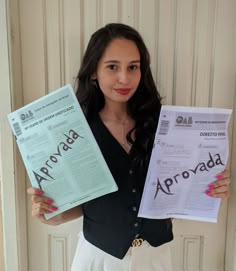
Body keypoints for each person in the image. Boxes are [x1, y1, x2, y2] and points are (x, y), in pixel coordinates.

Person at [27, 23, 231, 271]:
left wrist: (208, 188)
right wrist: (53, 214)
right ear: (94, 71)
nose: (124, 78)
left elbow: (175, 195)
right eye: (113, 67)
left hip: (156, 258)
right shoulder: (73, 132)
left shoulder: (164, 126)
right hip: (98, 258)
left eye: (133, 67)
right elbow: (84, 206)